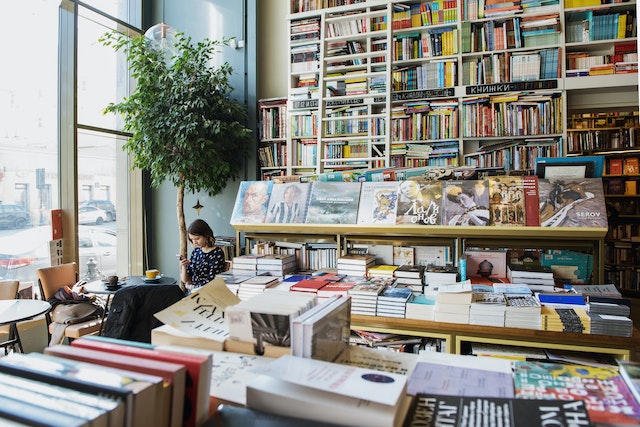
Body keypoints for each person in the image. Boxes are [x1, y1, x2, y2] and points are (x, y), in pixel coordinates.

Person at [179, 219, 226, 295]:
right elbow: (185, 280)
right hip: (192, 293)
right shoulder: (196, 252)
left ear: (206, 236)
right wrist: (184, 267)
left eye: (197, 239)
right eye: (192, 239)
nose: (194, 242)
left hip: (207, 293)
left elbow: (211, 280)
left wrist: (192, 287)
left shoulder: (217, 253)